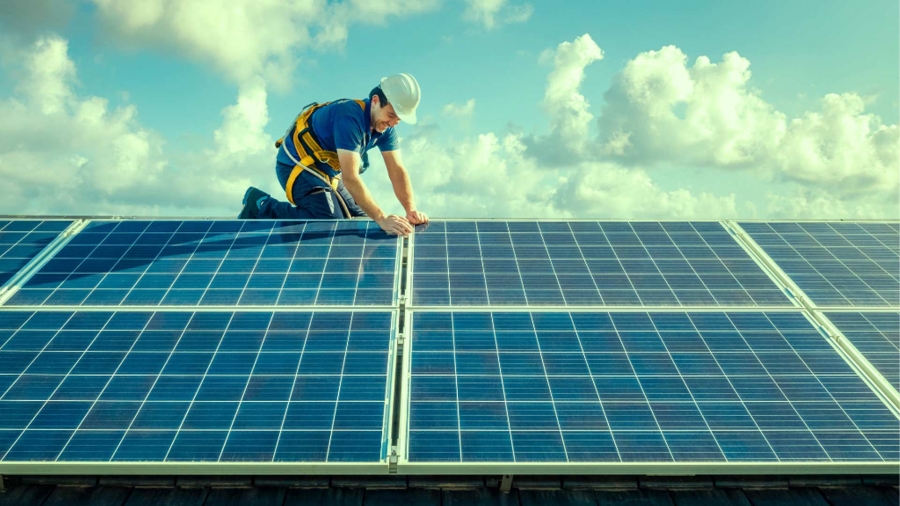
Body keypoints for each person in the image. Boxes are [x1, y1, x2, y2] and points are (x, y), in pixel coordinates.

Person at [238, 73, 428, 236]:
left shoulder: (385, 128)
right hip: (296, 165)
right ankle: (262, 205)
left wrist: (410, 209)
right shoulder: (349, 117)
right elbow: (351, 178)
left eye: (399, 119)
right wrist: (382, 217)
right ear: (376, 101)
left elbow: (397, 170)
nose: (393, 122)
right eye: (391, 114)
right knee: (328, 223)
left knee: (361, 221)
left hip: (327, 173)